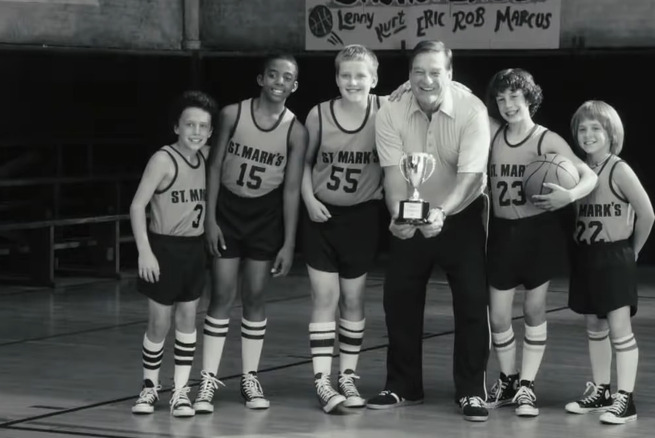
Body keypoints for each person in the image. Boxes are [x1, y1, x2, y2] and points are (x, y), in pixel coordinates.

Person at [365, 40, 492, 422]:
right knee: (399, 300)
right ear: (409, 75)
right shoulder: (390, 111)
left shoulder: (473, 110)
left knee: (471, 302)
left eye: (435, 71)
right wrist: (398, 218)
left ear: (449, 74)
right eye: (418, 71)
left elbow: (472, 177)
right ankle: (403, 385)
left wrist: (441, 213)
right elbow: (392, 175)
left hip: (462, 214)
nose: (426, 79)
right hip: (412, 214)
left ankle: (470, 391)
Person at [192, 53, 307, 414]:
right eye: (272, 74)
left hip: (265, 216)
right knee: (222, 295)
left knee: (255, 296)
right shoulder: (231, 114)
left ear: (294, 85)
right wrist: (209, 219)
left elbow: (290, 190)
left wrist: (289, 242)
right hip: (227, 209)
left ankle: (249, 378)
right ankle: (208, 379)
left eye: (286, 77)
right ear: (260, 79)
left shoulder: (296, 130)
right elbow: (212, 169)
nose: (278, 81)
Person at [483, 68, 597, 417]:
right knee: (499, 316)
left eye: (514, 98)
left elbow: (588, 174)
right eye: (501, 99)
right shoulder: (492, 133)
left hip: (538, 232)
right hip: (500, 233)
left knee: (534, 309)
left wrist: (569, 196)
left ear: (529, 98)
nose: (507, 105)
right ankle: (507, 379)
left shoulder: (546, 140)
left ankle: (527, 388)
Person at [300, 44, 385, 413]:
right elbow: (302, 164)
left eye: (360, 75)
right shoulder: (318, 114)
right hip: (321, 215)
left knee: (353, 299)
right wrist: (309, 200)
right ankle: (322, 380)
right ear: (336, 78)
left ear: (374, 79)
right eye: (346, 75)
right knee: (324, 298)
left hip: (363, 217)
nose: (353, 81)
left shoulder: (386, 111)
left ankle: (347, 376)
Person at [564, 100, 655, 424]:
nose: (588, 135)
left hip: (615, 254)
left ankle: (625, 399)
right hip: (587, 256)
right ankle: (601, 390)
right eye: (582, 129)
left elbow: (647, 214)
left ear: (611, 133)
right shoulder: (577, 170)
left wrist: (633, 251)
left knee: (620, 329)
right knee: (594, 325)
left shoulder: (619, 169)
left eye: (595, 128)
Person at [128, 90, 218, 417]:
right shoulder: (163, 159)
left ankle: (181, 391)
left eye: (203, 126)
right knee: (158, 322)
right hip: (162, 247)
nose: (196, 131)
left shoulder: (208, 157)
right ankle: (149, 388)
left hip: (193, 249)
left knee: (186, 320)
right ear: (176, 127)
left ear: (210, 132)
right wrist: (144, 252)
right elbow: (137, 205)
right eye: (189, 124)